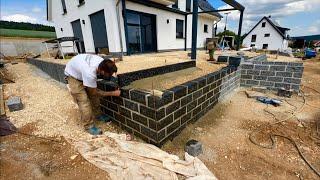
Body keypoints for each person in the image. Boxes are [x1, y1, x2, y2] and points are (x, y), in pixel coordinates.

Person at [64, 54, 120, 134]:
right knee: (84, 101)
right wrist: (113, 93)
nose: (110, 76)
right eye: (108, 75)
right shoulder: (90, 72)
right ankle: (88, 126)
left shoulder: (103, 63)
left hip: (81, 69)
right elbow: (94, 93)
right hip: (73, 76)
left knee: (94, 97)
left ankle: (98, 115)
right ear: (102, 71)